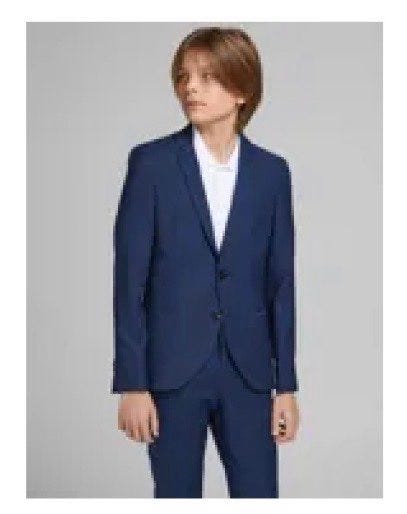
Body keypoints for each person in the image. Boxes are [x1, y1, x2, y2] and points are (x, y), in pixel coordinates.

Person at [111, 26, 300, 498]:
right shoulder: (151, 165)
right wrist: (133, 384)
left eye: (207, 77)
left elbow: (280, 284)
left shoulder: (271, 174)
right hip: (172, 374)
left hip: (248, 375)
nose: (190, 88)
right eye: (184, 76)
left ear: (241, 91)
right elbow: (129, 281)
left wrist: (285, 386)